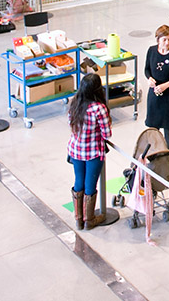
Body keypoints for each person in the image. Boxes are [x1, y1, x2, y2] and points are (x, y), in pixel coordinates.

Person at [65, 72, 112, 230]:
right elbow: (107, 134)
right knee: (90, 184)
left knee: (79, 181)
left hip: (76, 150)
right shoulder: (99, 108)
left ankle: (79, 220)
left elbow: (70, 124)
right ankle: (89, 220)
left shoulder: (74, 104)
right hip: (93, 152)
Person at [143, 25, 169, 149]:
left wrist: (167, 84)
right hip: (155, 94)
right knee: (153, 125)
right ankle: (153, 152)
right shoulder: (151, 51)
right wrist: (149, 78)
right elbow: (147, 69)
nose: (167, 43)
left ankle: (167, 153)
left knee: (168, 126)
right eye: (164, 40)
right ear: (158, 39)